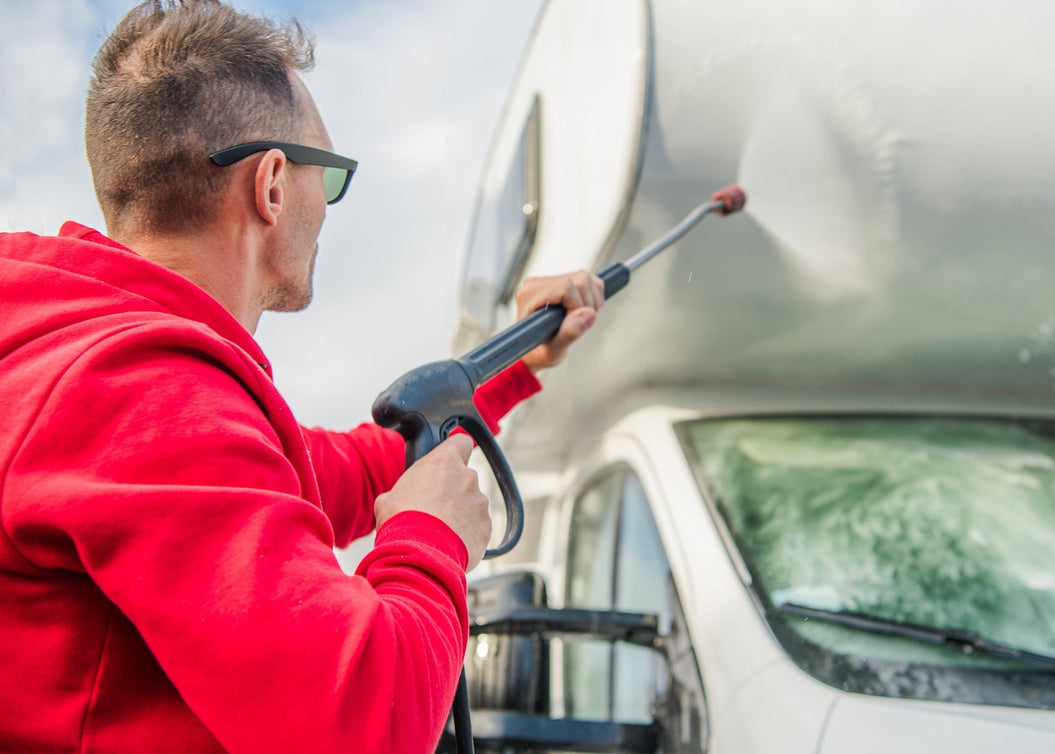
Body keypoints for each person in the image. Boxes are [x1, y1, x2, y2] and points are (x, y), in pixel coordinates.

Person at [0, 1, 603, 752]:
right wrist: (433, 537)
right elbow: (366, 724)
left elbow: (337, 473)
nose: (328, 207)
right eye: (332, 176)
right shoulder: (147, 399)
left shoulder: (78, 360)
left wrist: (519, 360)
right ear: (274, 185)